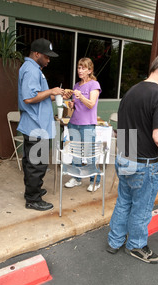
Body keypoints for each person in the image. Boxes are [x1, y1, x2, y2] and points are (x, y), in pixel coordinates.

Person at [107, 53, 158, 264]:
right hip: (143, 164)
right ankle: (135, 245)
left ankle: (114, 241)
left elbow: (128, 128)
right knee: (142, 208)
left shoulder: (131, 92)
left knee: (124, 201)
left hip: (124, 156)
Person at [18, 38, 65, 211]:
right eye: (46, 56)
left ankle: (33, 190)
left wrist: (57, 95)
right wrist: (52, 90)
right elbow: (29, 98)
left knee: (32, 162)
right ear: (37, 54)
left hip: (36, 124)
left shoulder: (33, 69)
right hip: (36, 125)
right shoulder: (31, 70)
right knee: (37, 164)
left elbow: (39, 96)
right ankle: (33, 199)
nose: (48, 59)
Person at [64, 57, 102, 192]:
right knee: (75, 154)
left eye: (83, 68)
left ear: (90, 70)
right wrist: (71, 103)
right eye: (79, 67)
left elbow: (91, 104)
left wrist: (81, 97)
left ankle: (95, 181)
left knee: (89, 154)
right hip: (74, 123)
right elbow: (74, 108)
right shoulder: (76, 85)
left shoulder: (94, 85)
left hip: (87, 125)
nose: (80, 70)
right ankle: (77, 178)